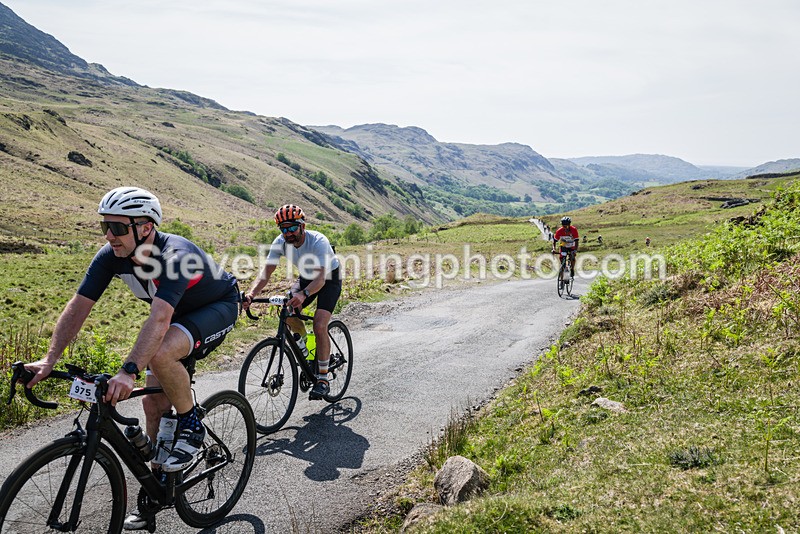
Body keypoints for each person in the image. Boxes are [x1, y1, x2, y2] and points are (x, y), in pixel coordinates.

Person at [23, 186, 240, 530]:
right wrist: (49, 360)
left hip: (217, 306)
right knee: (153, 406)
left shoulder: (175, 255)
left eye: (117, 227)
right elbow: (78, 307)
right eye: (105, 226)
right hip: (174, 315)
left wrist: (128, 371)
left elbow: (159, 320)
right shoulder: (111, 255)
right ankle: (159, 486)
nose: (109, 235)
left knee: (161, 354)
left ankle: (191, 422)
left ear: (146, 227)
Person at [243, 204, 341, 400]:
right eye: (283, 229)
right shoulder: (280, 242)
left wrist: (304, 294)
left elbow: (321, 280)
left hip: (328, 279)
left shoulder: (318, 241)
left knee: (319, 325)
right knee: (288, 313)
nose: (288, 233)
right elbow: (266, 272)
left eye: (292, 228)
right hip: (306, 278)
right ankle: (308, 350)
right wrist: (251, 294)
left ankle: (323, 379)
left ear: (302, 226)